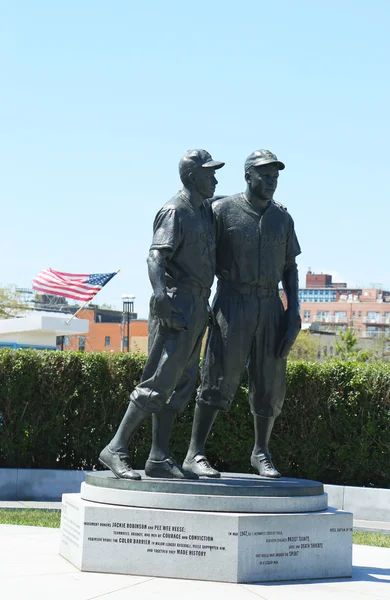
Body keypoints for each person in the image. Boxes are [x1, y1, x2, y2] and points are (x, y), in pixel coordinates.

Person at [99, 149, 224, 480]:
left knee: (180, 385)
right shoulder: (175, 210)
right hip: (176, 303)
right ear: (191, 177)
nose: (214, 178)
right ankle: (116, 448)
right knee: (158, 381)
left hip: (197, 304)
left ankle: (158, 457)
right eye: (209, 173)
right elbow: (155, 257)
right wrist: (160, 297)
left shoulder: (204, 211)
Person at [182, 149, 301, 478]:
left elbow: (291, 268)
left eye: (275, 175)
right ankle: (194, 453)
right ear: (248, 176)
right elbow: (193, 205)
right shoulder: (222, 210)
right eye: (264, 175)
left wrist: (294, 313)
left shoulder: (283, 218)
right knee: (218, 376)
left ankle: (261, 452)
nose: (271, 180)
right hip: (233, 302)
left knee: (270, 381)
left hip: (272, 308)